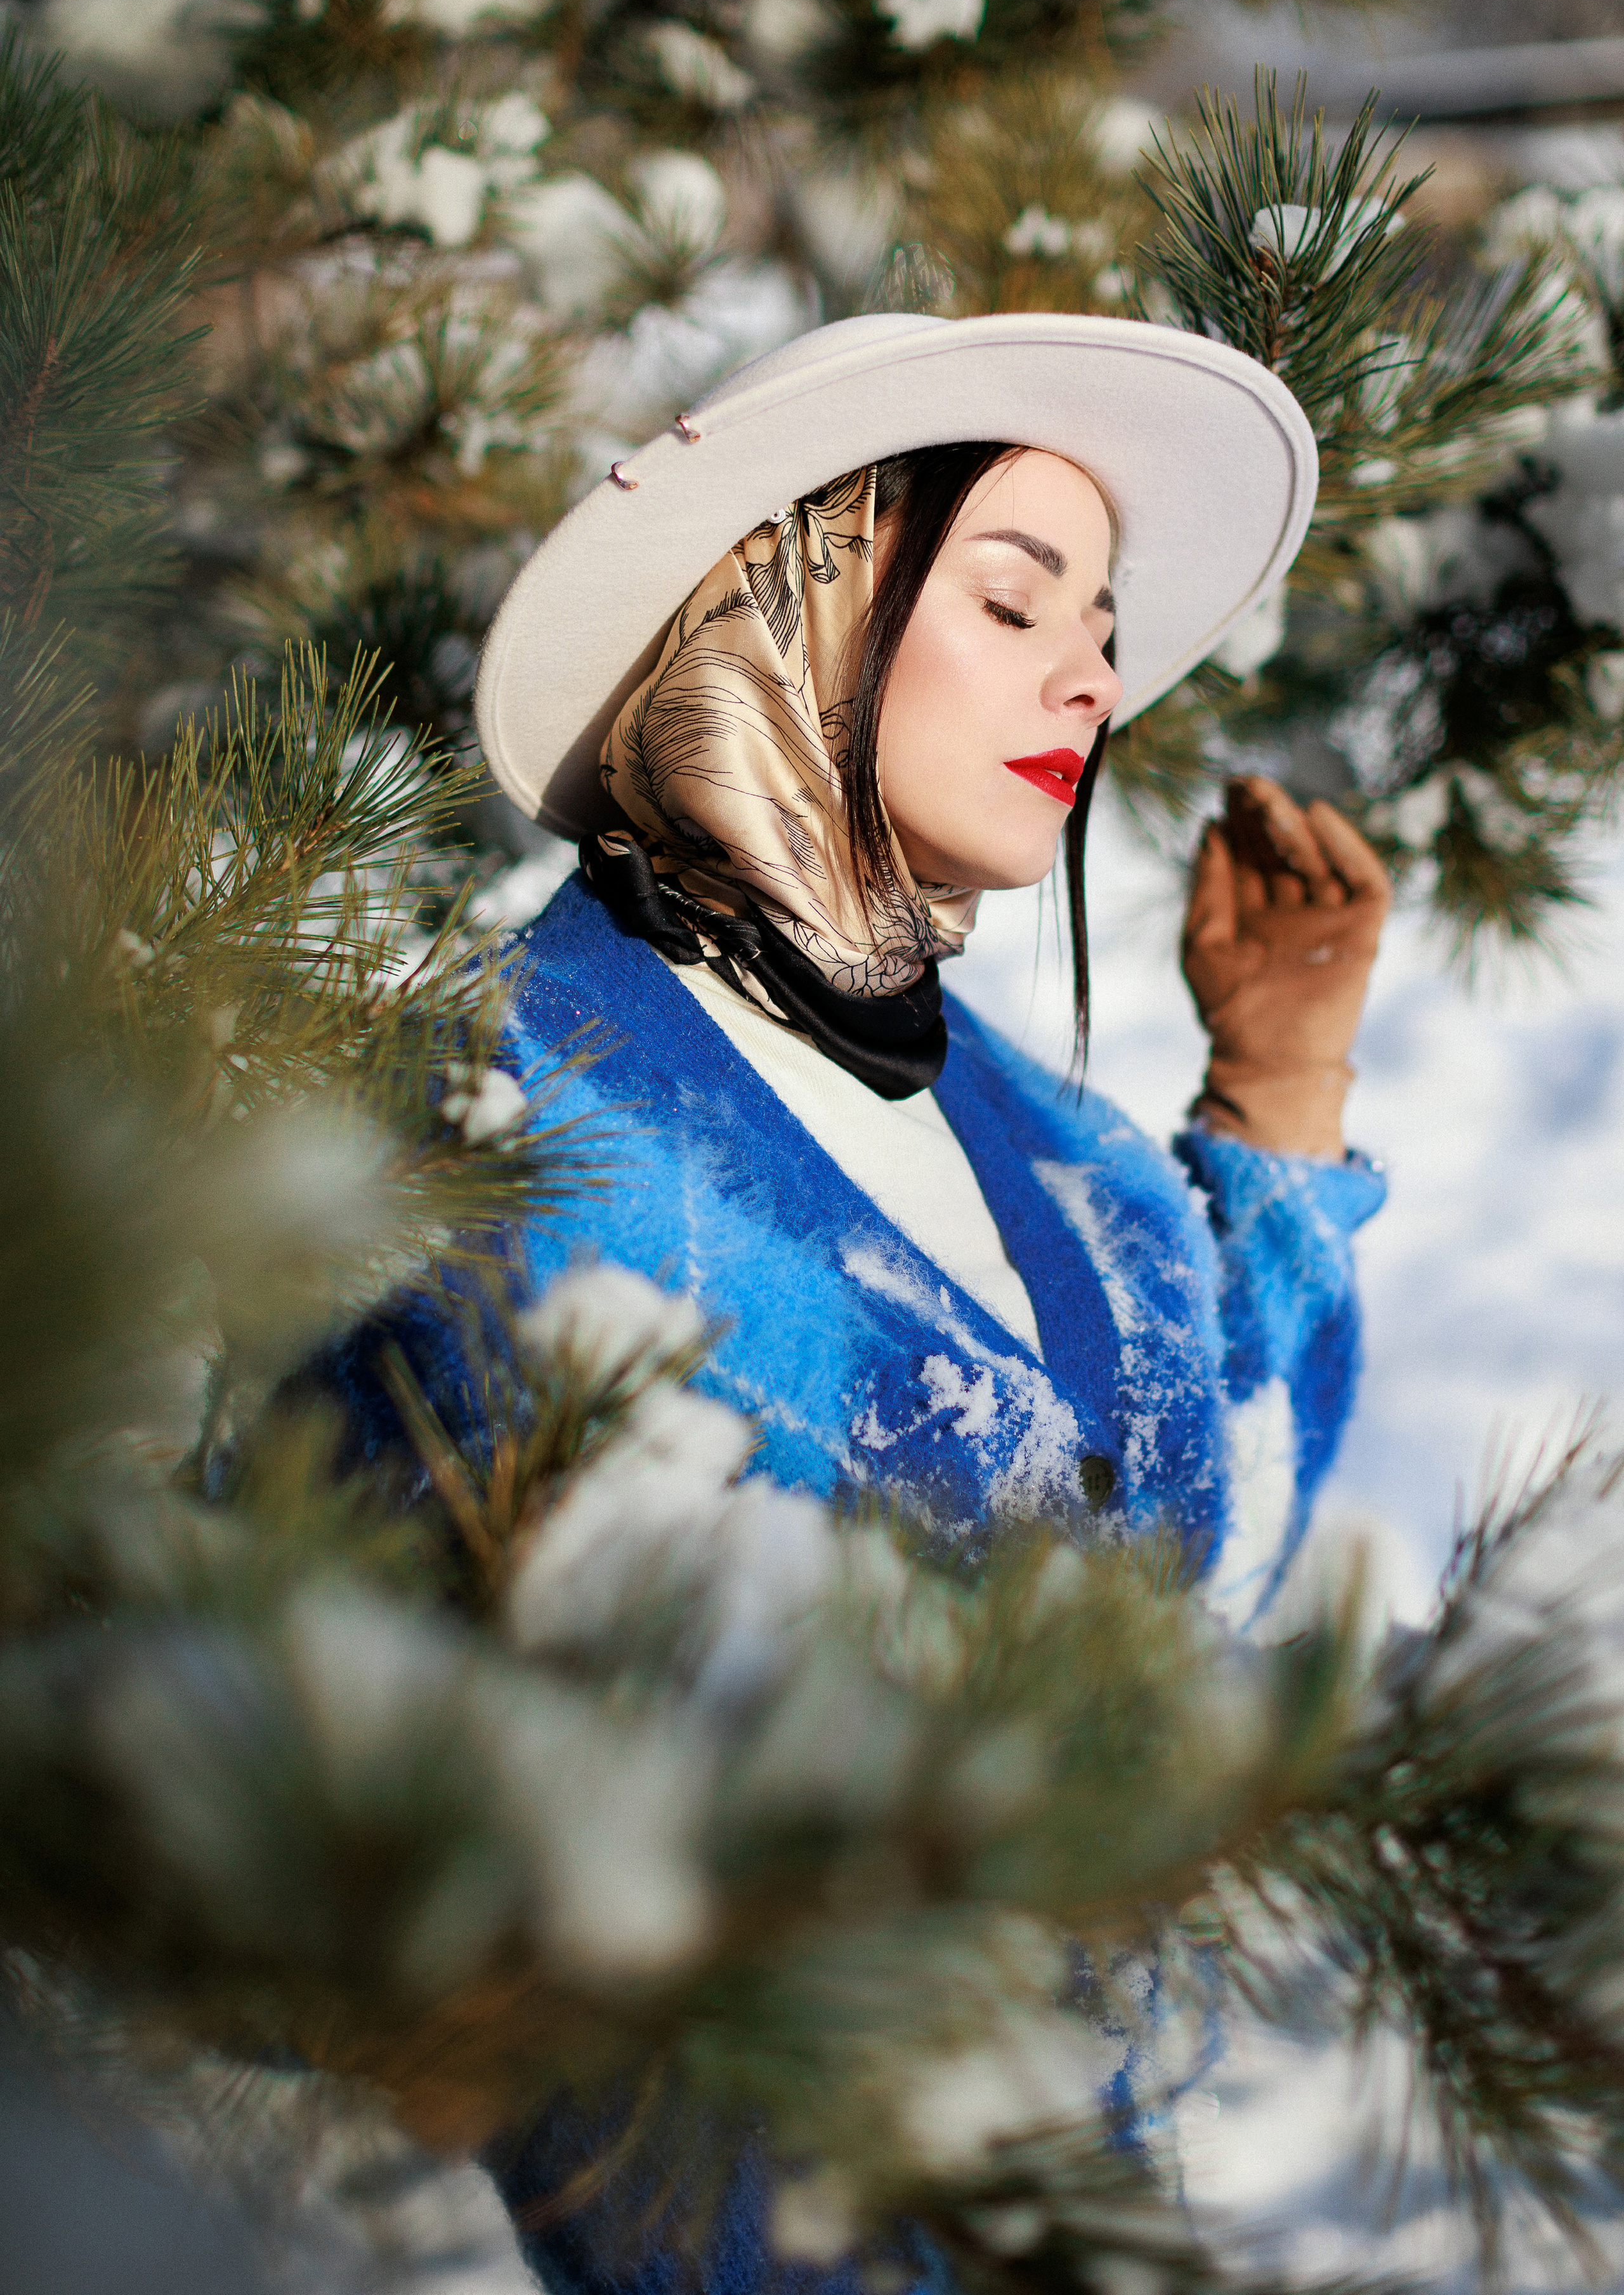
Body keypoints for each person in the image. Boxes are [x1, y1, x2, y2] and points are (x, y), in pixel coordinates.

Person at [327, 311, 1391, 2292]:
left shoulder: (1046, 1145)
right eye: (1013, 595)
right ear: (796, 604)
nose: (1093, 666)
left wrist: (1281, 1093)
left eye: (1100, 615)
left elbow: (1186, 1544)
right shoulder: (492, 1122)